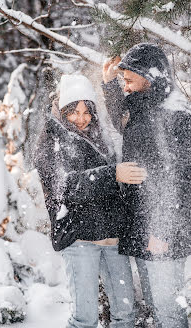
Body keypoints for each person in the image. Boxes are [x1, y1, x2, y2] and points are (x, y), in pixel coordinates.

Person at [34, 74, 136, 328]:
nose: (81, 119)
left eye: (86, 112)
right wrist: (112, 174)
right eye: (74, 112)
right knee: (85, 318)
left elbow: (123, 122)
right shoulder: (51, 140)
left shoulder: (101, 136)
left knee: (125, 315)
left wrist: (110, 84)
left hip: (112, 238)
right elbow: (65, 186)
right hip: (79, 239)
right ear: (64, 110)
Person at [102, 43, 191, 328]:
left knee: (168, 310)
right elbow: (124, 123)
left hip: (163, 231)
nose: (123, 79)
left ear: (149, 75)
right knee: (156, 307)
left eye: (129, 76)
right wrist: (110, 86)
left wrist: (162, 231)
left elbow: (178, 182)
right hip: (142, 226)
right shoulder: (143, 108)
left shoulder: (175, 117)